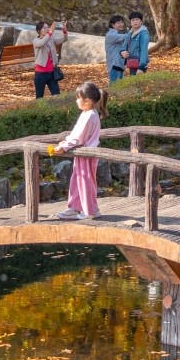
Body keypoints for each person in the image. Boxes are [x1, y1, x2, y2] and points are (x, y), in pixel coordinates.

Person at [50, 81, 108, 220]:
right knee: (77, 180)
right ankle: (75, 207)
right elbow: (76, 133)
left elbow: (79, 137)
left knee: (85, 181)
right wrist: (66, 141)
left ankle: (90, 211)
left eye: (78, 98)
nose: (76, 100)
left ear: (87, 101)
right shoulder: (86, 113)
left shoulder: (90, 116)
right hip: (81, 153)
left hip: (87, 154)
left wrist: (64, 147)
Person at [33, 19, 67, 98]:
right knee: (39, 97)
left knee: (57, 96)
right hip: (40, 73)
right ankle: (39, 110)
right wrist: (51, 31)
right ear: (39, 31)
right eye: (44, 28)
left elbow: (63, 40)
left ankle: (56, 110)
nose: (47, 29)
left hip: (51, 72)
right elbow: (42, 43)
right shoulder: (36, 41)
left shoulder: (51, 39)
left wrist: (64, 31)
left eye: (48, 27)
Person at [104, 15, 127, 82]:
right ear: (113, 25)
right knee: (113, 88)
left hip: (119, 65)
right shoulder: (111, 35)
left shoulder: (118, 34)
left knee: (120, 88)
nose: (121, 24)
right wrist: (135, 30)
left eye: (122, 22)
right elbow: (127, 36)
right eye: (118, 23)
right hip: (114, 65)